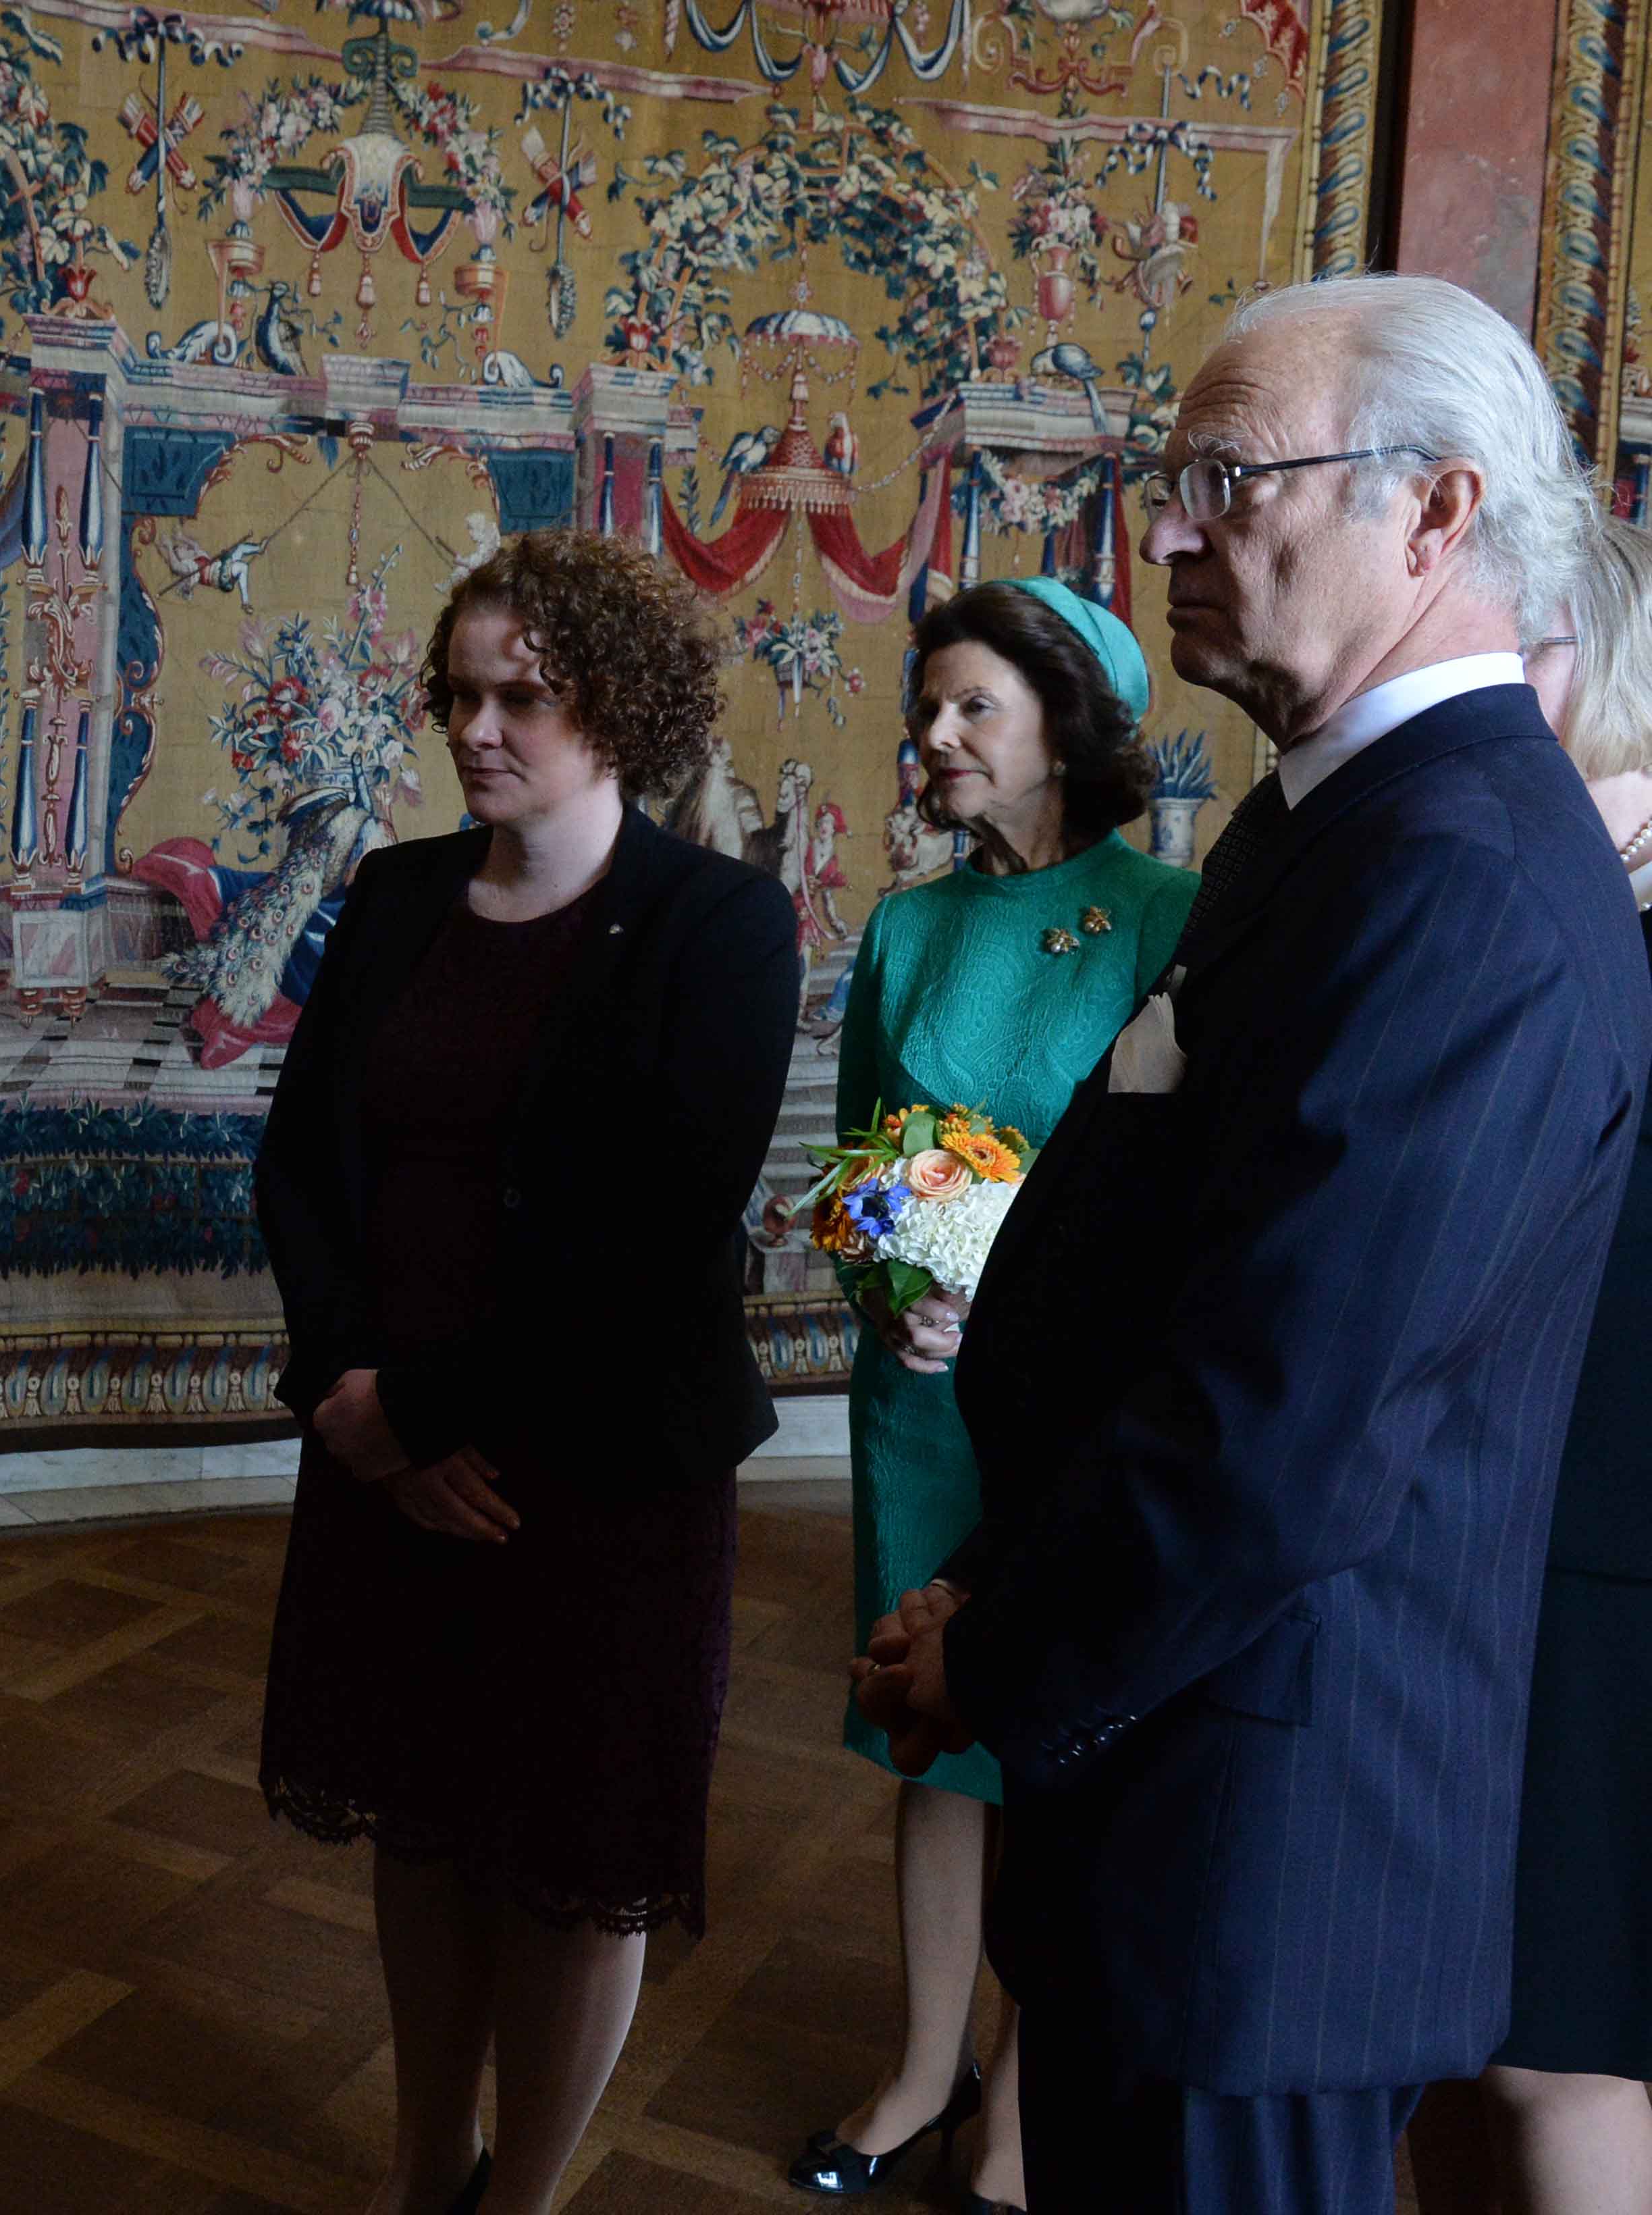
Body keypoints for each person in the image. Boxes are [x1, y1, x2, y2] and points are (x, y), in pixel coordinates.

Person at [855, 271, 1652, 2214]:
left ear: (1439, 514)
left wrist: (998, 1649)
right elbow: (1162, 1294)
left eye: (1232, 476)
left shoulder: (1459, 878)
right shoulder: (1335, 827)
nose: (1174, 532)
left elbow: (1279, 1423)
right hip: (1183, 1788)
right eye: (1169, 474)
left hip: (1279, 1849)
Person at [254, 530, 799, 2215]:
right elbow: (303, 1164)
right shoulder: (402, 894)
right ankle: (432, 2167)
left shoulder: (716, 921)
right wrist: (350, 1394)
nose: (477, 727)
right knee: (422, 1825)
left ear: (617, 707)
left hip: (599, 1473)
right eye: (460, 694)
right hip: (380, 1451)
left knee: (571, 1867)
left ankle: (528, 2194)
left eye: (522, 697)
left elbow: (655, 1228)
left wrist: (416, 1414)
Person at [794, 577, 1193, 2212]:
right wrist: (892, 1294)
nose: (934, 738)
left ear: (1064, 730)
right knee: (931, 1736)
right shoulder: (904, 925)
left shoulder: (1171, 911)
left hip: (1080, 1409)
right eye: (929, 708)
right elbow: (858, 1164)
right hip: (924, 1396)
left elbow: (1181, 1178)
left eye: (974, 709)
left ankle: (1021, 2113)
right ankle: (919, 2061)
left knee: (1050, 1737)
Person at [1408, 517, 1652, 2215]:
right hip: (1481, 1541)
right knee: (1446, 2038)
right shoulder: (1513, 909)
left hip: (1611, 1563)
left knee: (1565, 2052)